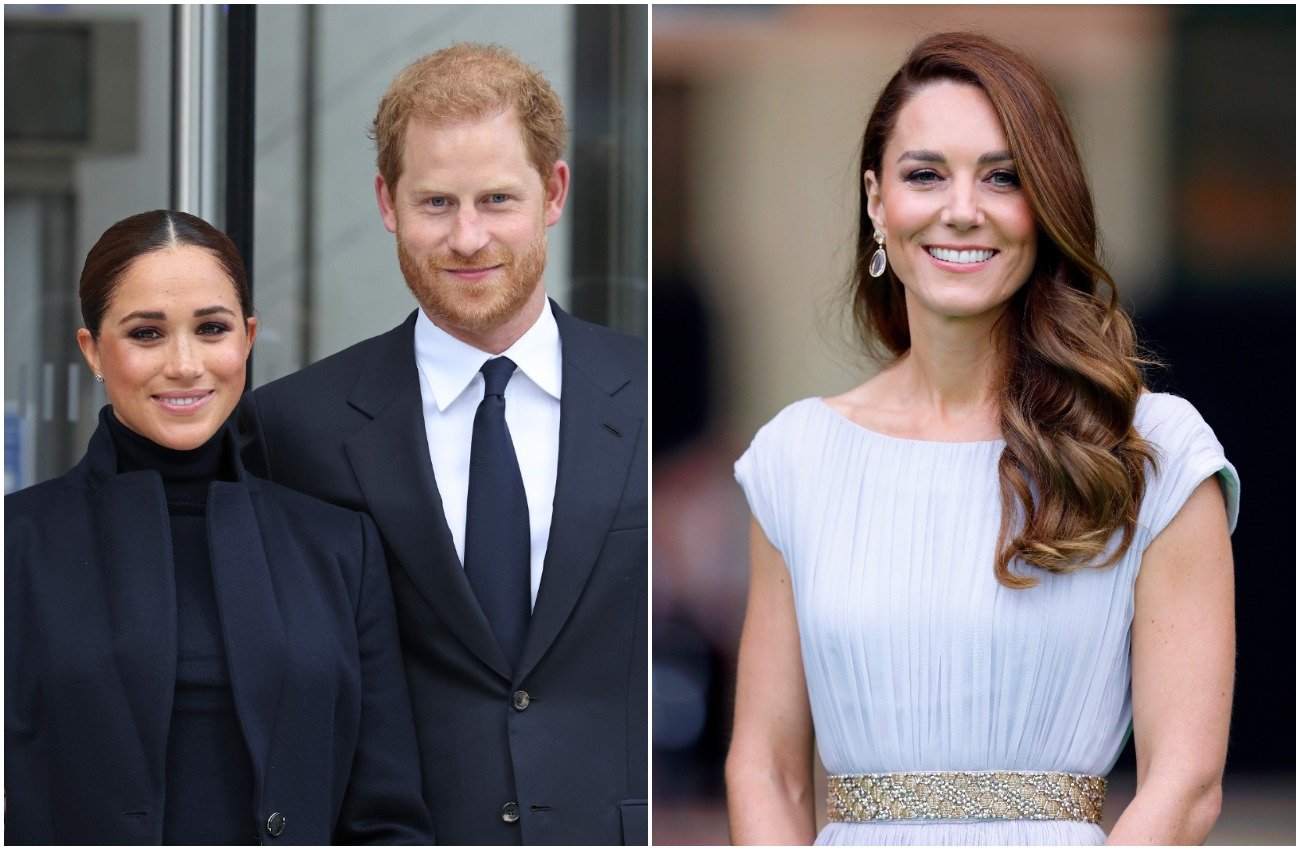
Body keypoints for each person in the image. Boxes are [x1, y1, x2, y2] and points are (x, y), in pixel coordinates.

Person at [727, 32, 1238, 846]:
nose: (961, 208)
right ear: (875, 200)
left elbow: (1188, 785)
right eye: (925, 173)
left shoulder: (1155, 451)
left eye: (1003, 177)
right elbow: (767, 769)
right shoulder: (797, 458)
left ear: (1048, 205)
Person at [238, 44, 647, 845]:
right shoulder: (292, 427)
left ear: (554, 192)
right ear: (387, 203)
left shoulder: (648, 393)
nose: (468, 238)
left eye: (497, 199)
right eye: (436, 204)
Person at [4, 210, 433, 845]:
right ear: (93, 350)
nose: (185, 364)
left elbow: (386, 815)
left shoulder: (339, 548)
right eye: (146, 334)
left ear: (248, 339)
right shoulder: (17, 546)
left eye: (211, 329)